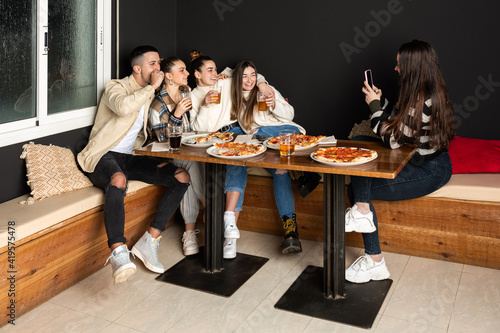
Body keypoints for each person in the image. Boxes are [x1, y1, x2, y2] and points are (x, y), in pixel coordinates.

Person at [77, 45, 190, 284]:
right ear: (137, 68)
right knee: (119, 180)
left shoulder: (152, 92)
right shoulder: (115, 87)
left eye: (159, 64)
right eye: (153, 64)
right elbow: (123, 107)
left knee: (181, 176)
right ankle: (118, 252)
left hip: (129, 157)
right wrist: (150, 88)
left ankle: (150, 241)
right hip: (102, 155)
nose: (158, 69)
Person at [345, 40, 455, 283]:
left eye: (399, 64)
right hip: (413, 159)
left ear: (413, 66)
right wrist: (381, 103)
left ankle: (375, 260)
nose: (396, 69)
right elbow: (399, 124)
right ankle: (361, 210)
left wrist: (373, 105)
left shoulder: (424, 98)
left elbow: (392, 140)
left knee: (356, 190)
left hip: (430, 169)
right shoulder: (419, 90)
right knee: (359, 142)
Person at [225, 59, 307, 257]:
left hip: (282, 135)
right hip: (261, 146)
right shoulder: (234, 95)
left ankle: (290, 231)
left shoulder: (265, 90)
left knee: (265, 139)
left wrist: (273, 103)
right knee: (245, 145)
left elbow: (290, 114)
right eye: (245, 76)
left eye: (253, 75)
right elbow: (228, 71)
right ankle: (290, 230)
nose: (250, 80)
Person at [148, 56, 205, 256]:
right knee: (188, 163)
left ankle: (189, 233)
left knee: (190, 166)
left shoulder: (185, 91)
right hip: (165, 156)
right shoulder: (157, 106)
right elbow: (164, 142)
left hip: (189, 152)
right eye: (182, 70)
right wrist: (177, 114)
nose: (187, 73)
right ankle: (210, 206)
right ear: (169, 77)